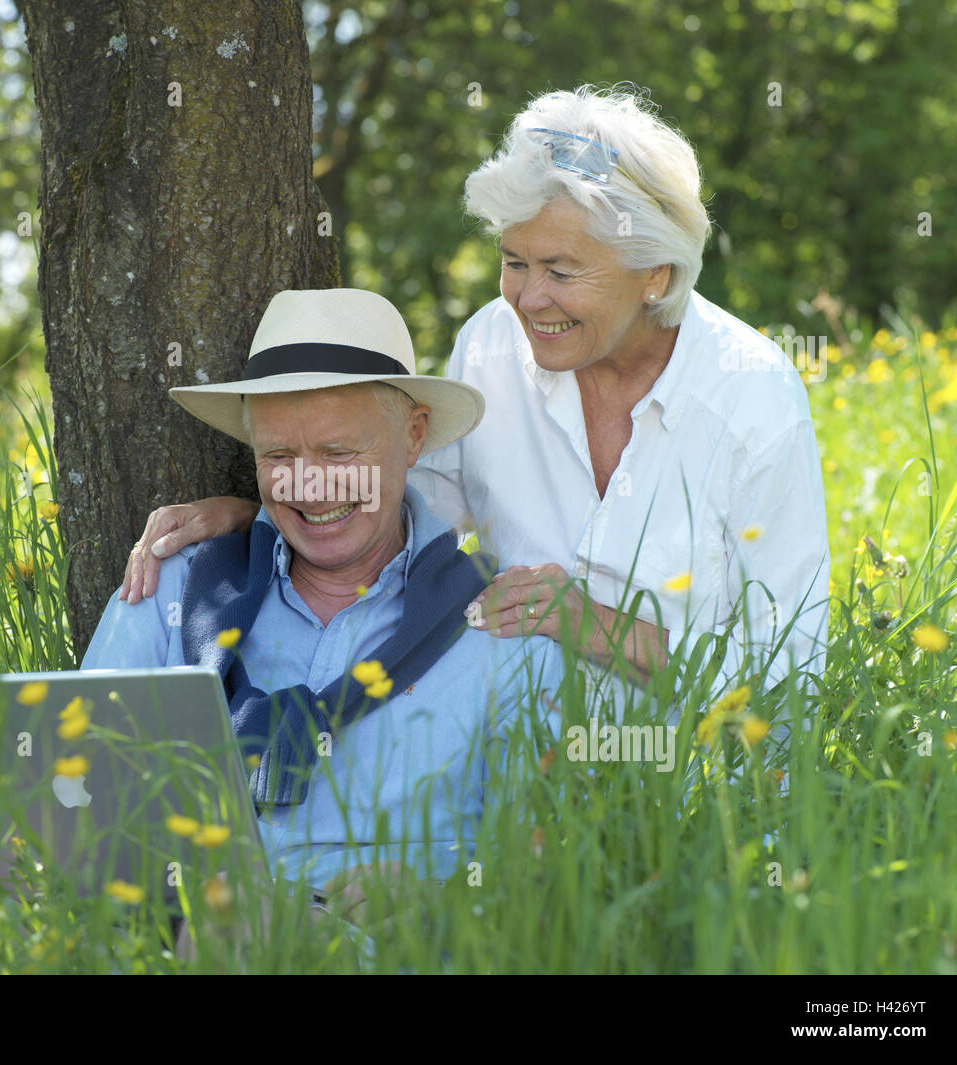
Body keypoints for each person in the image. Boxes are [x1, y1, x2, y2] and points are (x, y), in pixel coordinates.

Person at [119, 85, 831, 723]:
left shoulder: (752, 396)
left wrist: (591, 623)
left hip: (687, 778)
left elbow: (793, 674)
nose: (528, 297)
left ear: (657, 274)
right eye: (514, 262)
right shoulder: (492, 345)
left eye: (560, 270)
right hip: (497, 752)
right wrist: (261, 510)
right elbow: (400, 508)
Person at [82, 287, 560, 907]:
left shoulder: (500, 628)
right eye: (279, 455)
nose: (308, 485)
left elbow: (541, 876)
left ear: (414, 437)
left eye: (338, 453)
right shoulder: (169, 588)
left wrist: (436, 901)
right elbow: (75, 789)